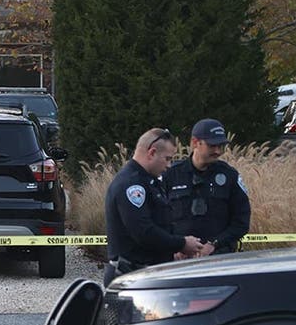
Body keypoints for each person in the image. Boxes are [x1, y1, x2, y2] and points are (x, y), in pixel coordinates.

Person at [103, 128, 203, 286]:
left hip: (146, 275)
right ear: (152, 153)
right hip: (130, 277)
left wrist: (172, 250)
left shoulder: (150, 182)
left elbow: (161, 224)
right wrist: (181, 244)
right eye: (167, 159)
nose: (169, 165)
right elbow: (143, 232)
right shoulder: (132, 184)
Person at [163, 118, 251, 257]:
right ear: (195, 143)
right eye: (212, 145)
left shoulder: (230, 176)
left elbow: (241, 223)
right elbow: (158, 219)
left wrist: (213, 244)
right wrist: (176, 246)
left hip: (219, 257)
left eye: (221, 146)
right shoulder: (171, 175)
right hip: (179, 261)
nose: (217, 151)